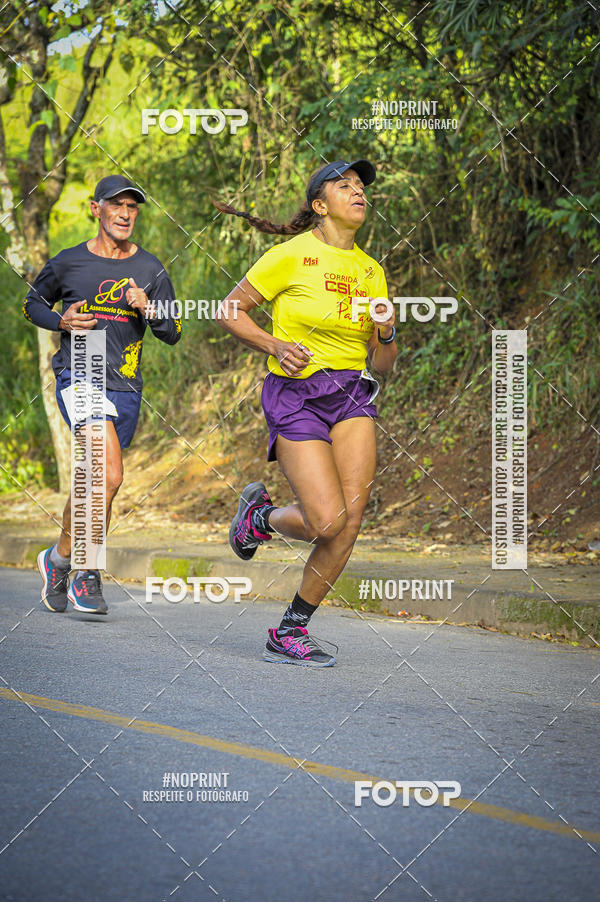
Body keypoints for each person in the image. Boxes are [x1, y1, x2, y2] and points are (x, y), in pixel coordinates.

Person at [216, 158, 397, 666]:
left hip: (352, 393)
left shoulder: (371, 271)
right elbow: (230, 309)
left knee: (350, 521)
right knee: (326, 519)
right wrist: (274, 344)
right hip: (296, 394)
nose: (358, 193)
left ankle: (291, 628)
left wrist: (387, 331)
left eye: (361, 187)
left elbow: (383, 365)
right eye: (346, 186)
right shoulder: (291, 255)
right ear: (321, 205)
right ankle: (262, 516)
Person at [24, 175, 182, 615]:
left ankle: (57, 560)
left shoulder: (151, 270)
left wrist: (147, 309)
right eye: (117, 205)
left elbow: (173, 331)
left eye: (133, 207)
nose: (126, 213)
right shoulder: (69, 262)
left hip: (125, 380)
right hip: (83, 367)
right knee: (108, 474)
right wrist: (62, 321)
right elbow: (32, 303)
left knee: (100, 483)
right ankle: (87, 573)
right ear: (97, 209)